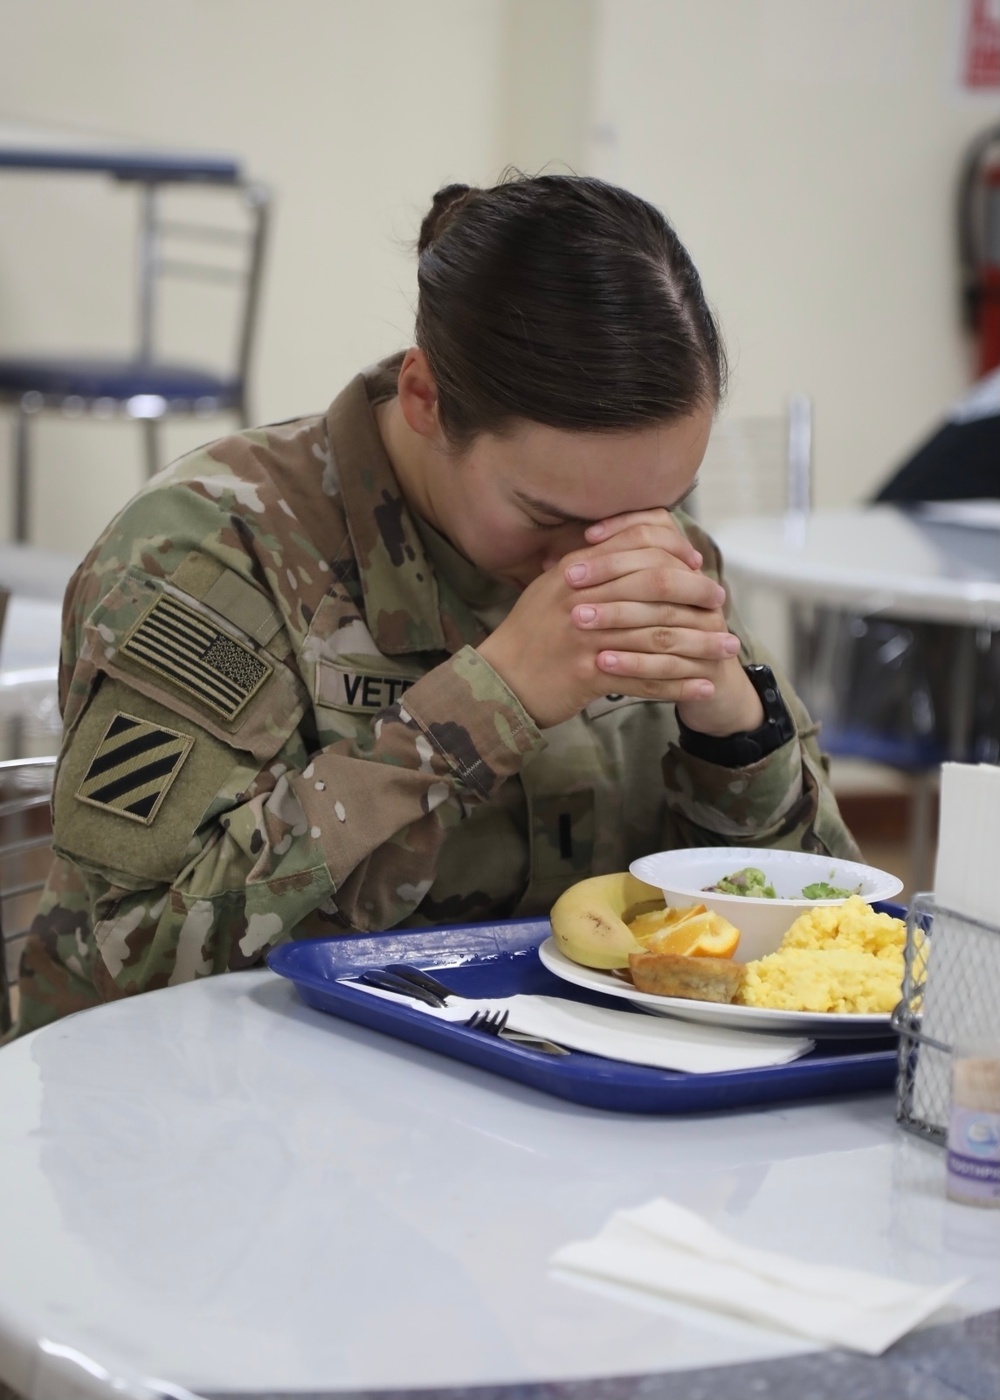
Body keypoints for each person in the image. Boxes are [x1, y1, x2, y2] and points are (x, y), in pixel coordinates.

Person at [10, 174, 860, 1038]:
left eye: (659, 505)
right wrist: (480, 711)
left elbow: (839, 948)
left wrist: (738, 738)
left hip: (568, 1115)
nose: (598, 560)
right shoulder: (213, 558)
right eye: (549, 516)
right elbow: (122, 963)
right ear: (424, 399)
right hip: (257, 1126)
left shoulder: (647, 546)